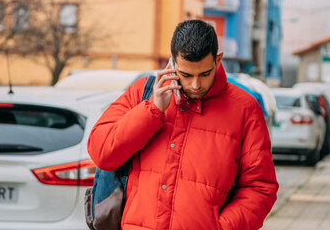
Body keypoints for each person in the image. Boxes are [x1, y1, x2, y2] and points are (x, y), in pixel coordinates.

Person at [88, 20, 278, 230]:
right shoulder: (142, 93)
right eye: (186, 75)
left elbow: (260, 188)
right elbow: (102, 153)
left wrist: (220, 227)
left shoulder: (245, 109)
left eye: (205, 74)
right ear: (172, 62)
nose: (195, 85)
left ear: (218, 60)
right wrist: (152, 111)